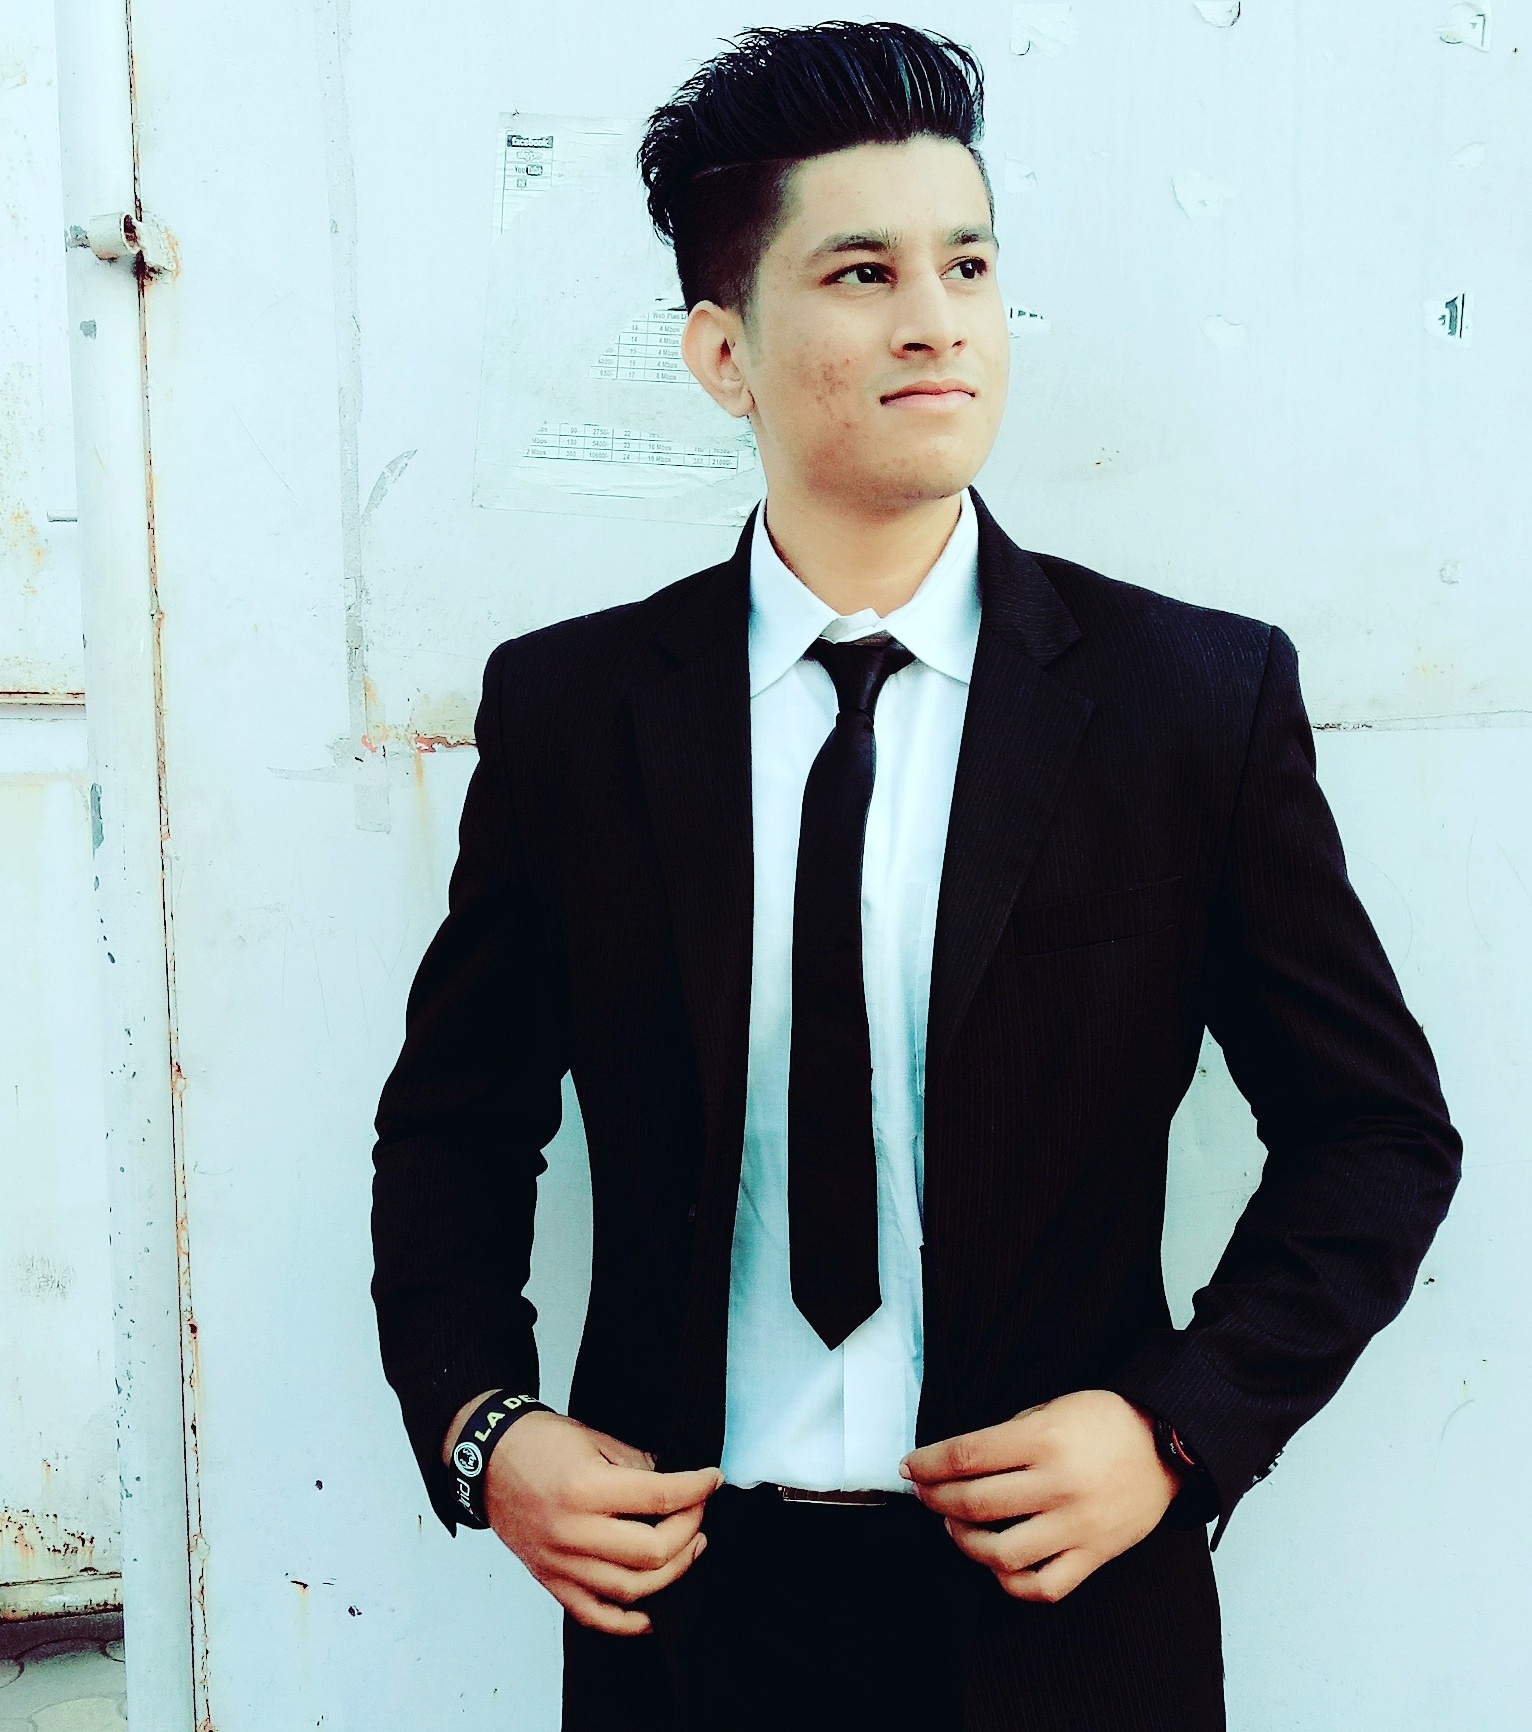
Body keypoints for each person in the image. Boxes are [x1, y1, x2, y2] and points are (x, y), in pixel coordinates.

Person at [370, 20, 1462, 1731]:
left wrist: (1177, 1425)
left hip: (1059, 1612)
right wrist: (481, 1428)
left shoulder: (1189, 701)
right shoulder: (577, 714)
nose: (937, 318)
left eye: (968, 264)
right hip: (685, 1613)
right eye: (863, 271)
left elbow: (1376, 1132)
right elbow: (453, 1126)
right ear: (723, 352)